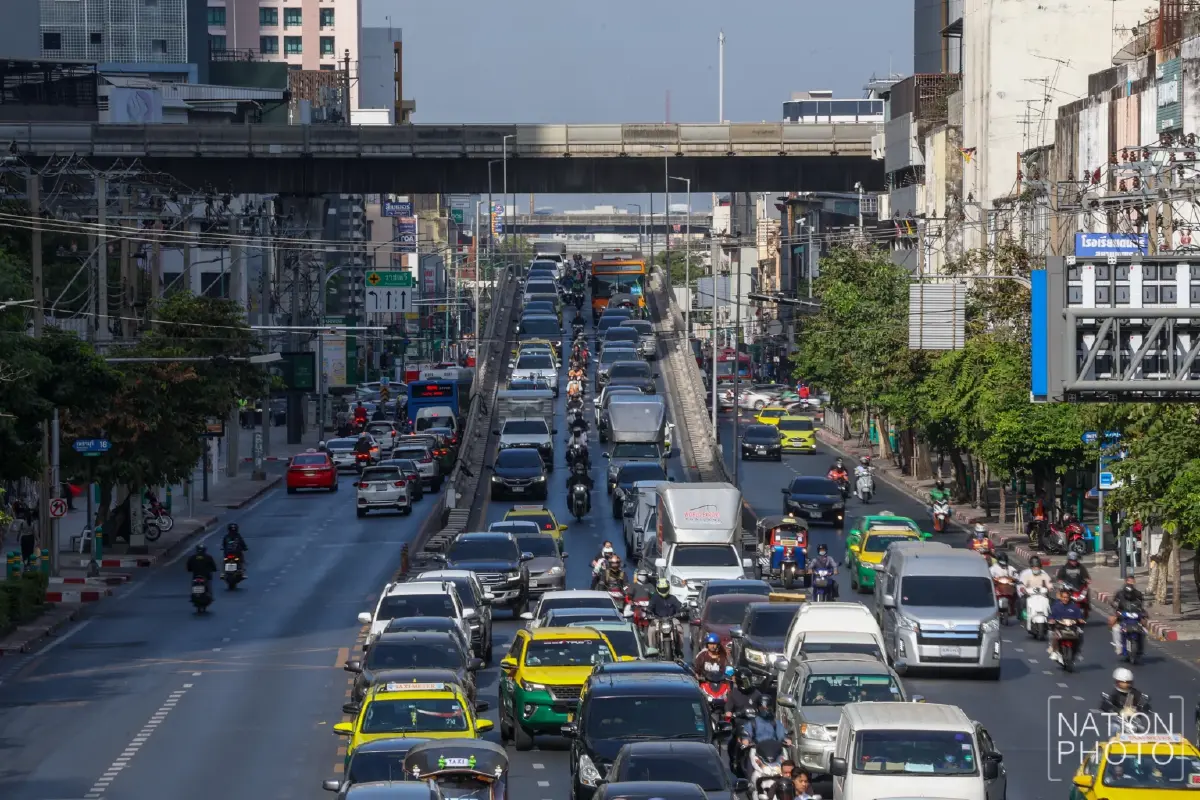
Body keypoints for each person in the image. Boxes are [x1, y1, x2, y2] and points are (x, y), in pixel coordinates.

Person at [1109, 575, 1146, 655]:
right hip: (1122, 618)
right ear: (1126, 582)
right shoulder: (1119, 593)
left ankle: (1140, 648)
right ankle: (1119, 648)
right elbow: (1114, 603)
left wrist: (1143, 613)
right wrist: (1117, 611)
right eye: (1129, 581)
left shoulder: (1138, 594)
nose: (1131, 583)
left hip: (1135, 619)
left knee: (1143, 632)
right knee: (1116, 630)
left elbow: (1141, 606)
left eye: (1133, 582)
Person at [1049, 584, 1086, 663]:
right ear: (1061, 597)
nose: (1065, 599)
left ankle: (1078, 652)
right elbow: (1052, 615)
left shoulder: (1074, 607)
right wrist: (1052, 620)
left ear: (1069, 598)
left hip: (1072, 626)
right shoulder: (1056, 606)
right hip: (1060, 626)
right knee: (1053, 634)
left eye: (1067, 597)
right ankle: (1055, 651)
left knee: (1081, 634)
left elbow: (1079, 616)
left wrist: (1081, 620)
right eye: (1063, 597)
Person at [645, 578, 683, 652]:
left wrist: (681, 611)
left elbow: (679, 606)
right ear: (658, 588)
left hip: (672, 619)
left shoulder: (673, 598)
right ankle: (652, 648)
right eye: (661, 589)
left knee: (679, 629)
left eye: (665, 589)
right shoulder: (654, 598)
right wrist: (649, 613)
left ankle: (679, 648)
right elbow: (649, 608)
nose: (663, 591)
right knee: (651, 630)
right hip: (657, 619)